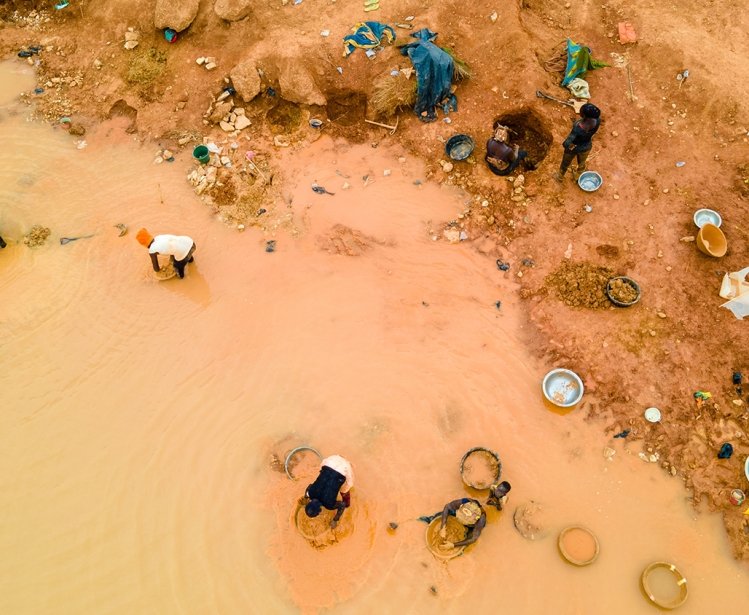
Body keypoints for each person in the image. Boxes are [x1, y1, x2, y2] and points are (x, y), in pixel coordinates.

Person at [303, 454, 354, 529]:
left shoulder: (329, 504)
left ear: (320, 511)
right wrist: (305, 497)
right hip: (331, 461)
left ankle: (348, 504)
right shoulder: (310, 492)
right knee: (323, 474)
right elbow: (309, 487)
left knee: (345, 490)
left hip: (345, 468)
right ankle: (341, 458)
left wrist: (335, 520)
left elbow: (342, 504)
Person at [554, 102, 601, 182]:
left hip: (574, 146)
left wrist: (566, 145)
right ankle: (579, 174)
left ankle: (560, 176)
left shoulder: (577, 128)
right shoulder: (597, 121)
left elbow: (567, 143)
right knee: (582, 162)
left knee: (565, 161)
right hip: (586, 146)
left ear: (585, 116)